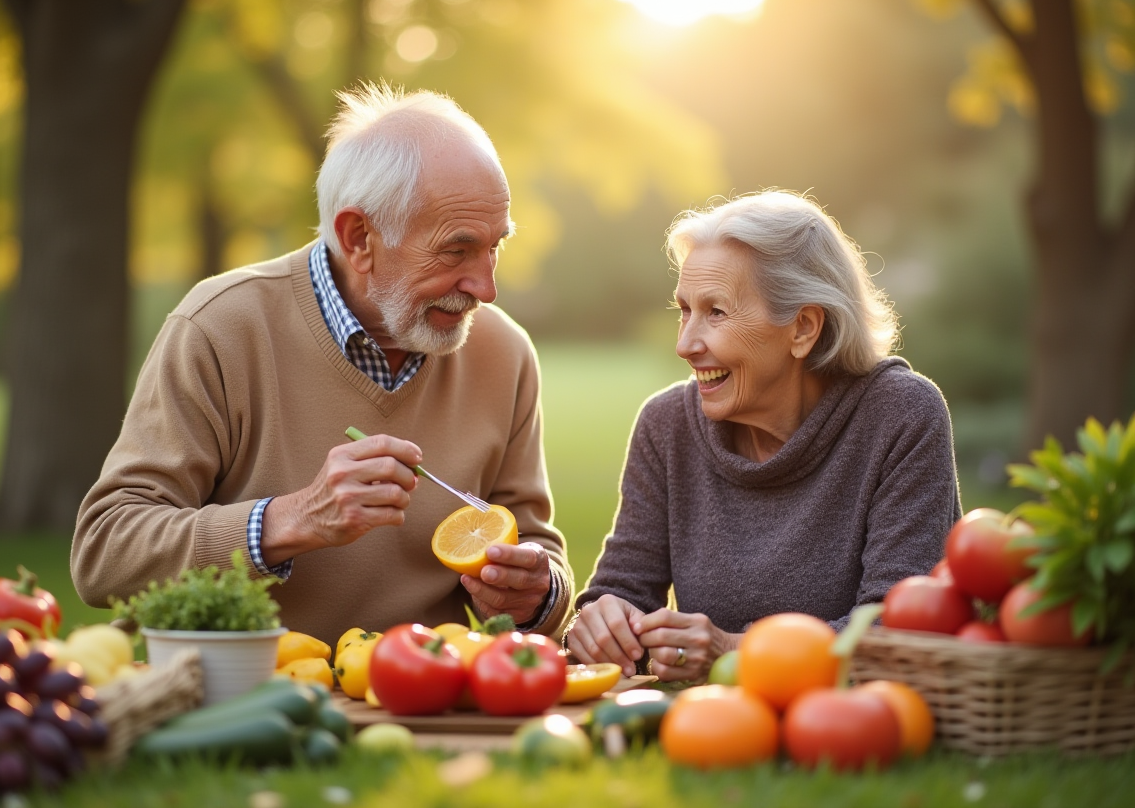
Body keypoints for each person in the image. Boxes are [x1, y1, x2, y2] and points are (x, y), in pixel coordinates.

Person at [72, 84, 574, 645]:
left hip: (427, 701)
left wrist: (537, 593)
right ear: (358, 237)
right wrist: (290, 520)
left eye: (494, 246)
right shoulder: (219, 328)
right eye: (456, 251)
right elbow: (104, 555)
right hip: (247, 695)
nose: (486, 287)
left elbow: (538, 550)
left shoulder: (503, 353)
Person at [565, 190, 960, 681]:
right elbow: (622, 589)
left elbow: (898, 627)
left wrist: (736, 650)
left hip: (849, 732)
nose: (685, 344)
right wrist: (602, 620)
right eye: (684, 310)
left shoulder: (900, 415)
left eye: (717, 313)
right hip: (718, 729)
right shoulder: (665, 425)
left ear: (803, 328)